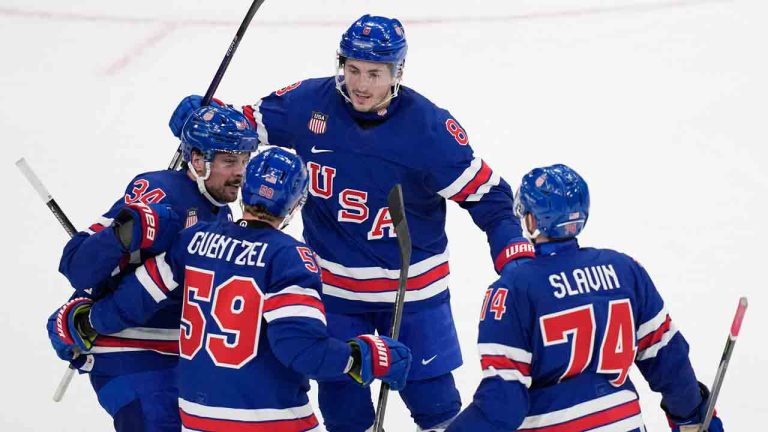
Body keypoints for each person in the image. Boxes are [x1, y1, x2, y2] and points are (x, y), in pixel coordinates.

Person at [168, 14, 534, 432]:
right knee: (343, 407)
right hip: (333, 288)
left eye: (374, 73)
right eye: (352, 69)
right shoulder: (307, 104)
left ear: (397, 72)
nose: (360, 84)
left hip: (411, 290)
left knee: (436, 403)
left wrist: (512, 251)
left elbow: (489, 196)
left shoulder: (429, 129)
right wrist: (206, 120)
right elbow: (242, 125)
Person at [51, 147, 413, 431]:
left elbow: (135, 297)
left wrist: (87, 322)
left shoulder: (193, 241)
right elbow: (302, 352)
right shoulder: (291, 257)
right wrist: (362, 357)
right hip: (271, 418)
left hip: (197, 416)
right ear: (297, 203)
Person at [445, 164, 725, 432]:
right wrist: (692, 414)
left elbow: (502, 404)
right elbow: (667, 358)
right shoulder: (625, 270)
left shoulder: (511, 291)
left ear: (531, 220)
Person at [46, 105, 258, 431]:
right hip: (128, 355)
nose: (240, 172)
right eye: (230, 161)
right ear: (199, 162)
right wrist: (125, 233)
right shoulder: (159, 193)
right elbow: (78, 266)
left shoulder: (222, 214)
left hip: (179, 358)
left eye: (244, 159)